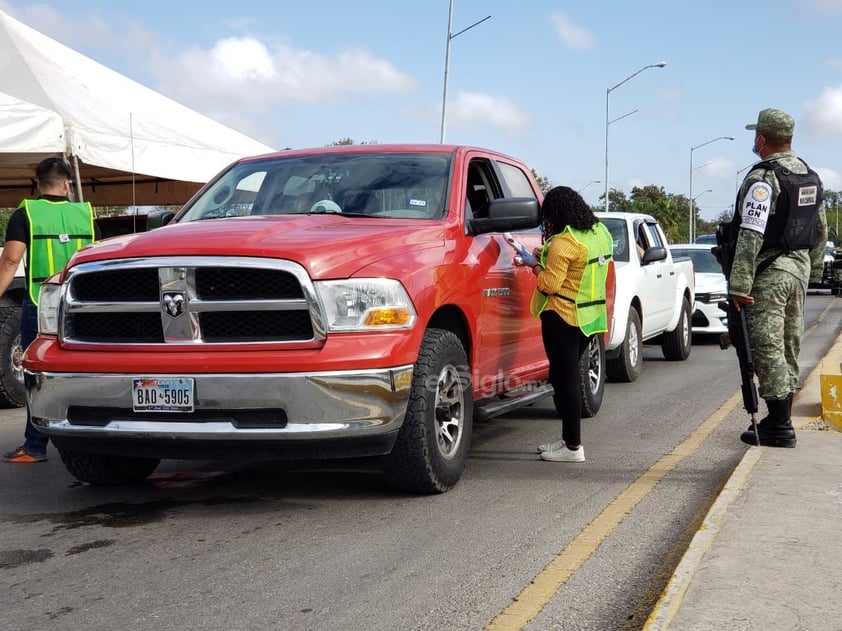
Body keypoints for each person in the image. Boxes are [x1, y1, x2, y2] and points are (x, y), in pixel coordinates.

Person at [729, 108, 826, 448]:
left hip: (769, 273)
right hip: (798, 270)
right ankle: (779, 417)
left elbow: (751, 234)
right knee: (788, 343)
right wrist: (812, 273)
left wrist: (739, 285)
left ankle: (779, 424)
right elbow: (820, 231)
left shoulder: (763, 179)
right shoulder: (810, 176)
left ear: (761, 139)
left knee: (767, 345)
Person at [0, 157, 97, 463]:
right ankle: (88, 438)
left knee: (37, 376)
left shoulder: (26, 213)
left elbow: (10, 261)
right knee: (84, 373)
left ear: (37, 182)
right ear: (68, 182)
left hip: (40, 303)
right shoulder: (84, 213)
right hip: (82, 304)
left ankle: (34, 446)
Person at [529, 186, 613, 462]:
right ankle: (567, 439)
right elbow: (580, 266)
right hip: (590, 320)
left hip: (563, 316)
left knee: (566, 380)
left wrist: (535, 266)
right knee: (565, 376)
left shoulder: (563, 243)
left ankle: (573, 447)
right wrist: (549, 255)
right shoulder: (599, 234)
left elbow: (550, 284)